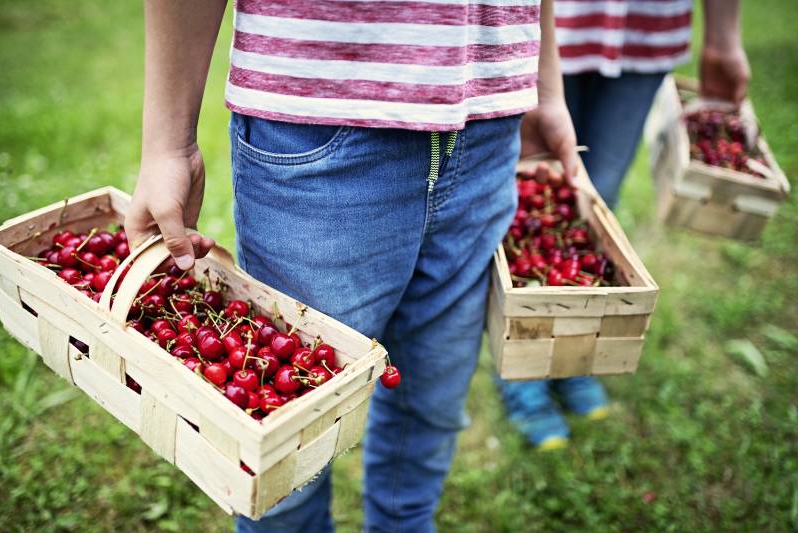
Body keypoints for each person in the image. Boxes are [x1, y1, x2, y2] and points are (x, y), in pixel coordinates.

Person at [126, 0, 577, 531]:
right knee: (286, 446)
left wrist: (545, 86)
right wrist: (168, 145)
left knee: (430, 402)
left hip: (489, 129)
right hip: (323, 128)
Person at [499, 0, 750, 450]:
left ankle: (570, 361)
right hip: (553, 20)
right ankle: (524, 369)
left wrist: (723, 37)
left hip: (646, 32)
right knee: (530, 194)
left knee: (595, 204)